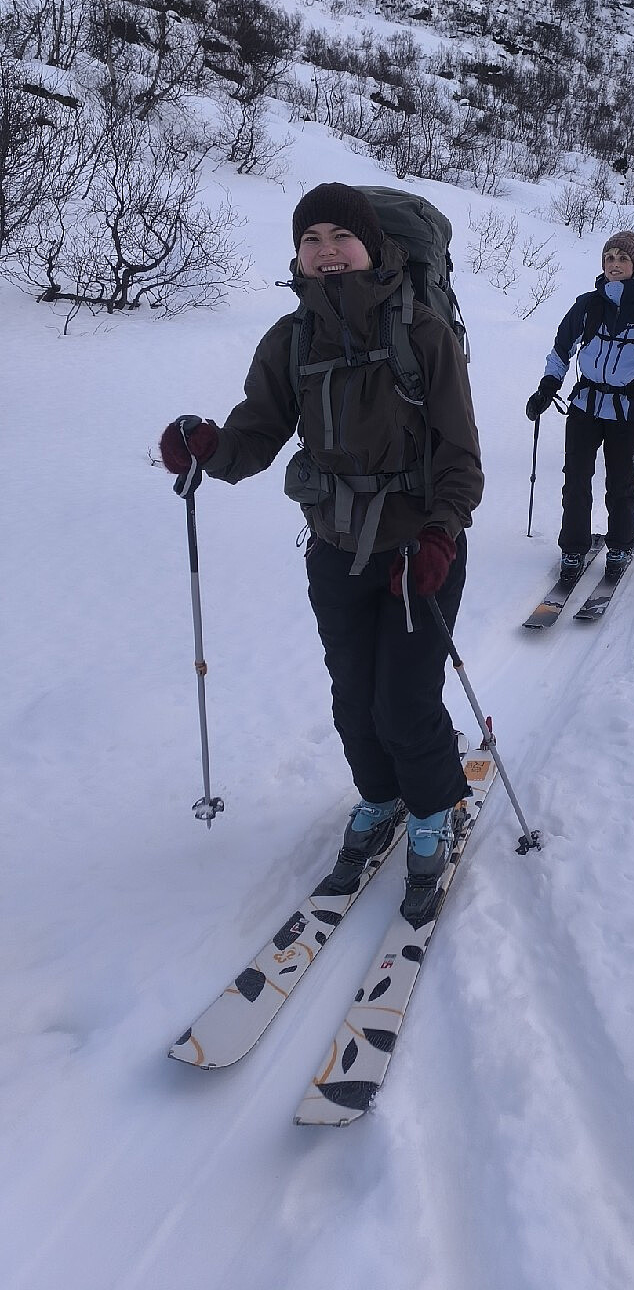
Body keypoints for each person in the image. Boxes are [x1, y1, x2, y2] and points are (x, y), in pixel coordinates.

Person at [158, 183, 483, 928]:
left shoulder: (424, 332)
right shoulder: (292, 339)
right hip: (335, 548)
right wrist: (208, 449)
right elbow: (255, 436)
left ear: (372, 247)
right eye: (312, 239)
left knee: (404, 698)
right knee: (353, 695)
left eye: (342, 236)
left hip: (417, 551)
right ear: (298, 254)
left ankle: (434, 809)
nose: (327, 250)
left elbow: (460, 453)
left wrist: (441, 533)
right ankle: (382, 796)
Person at [526, 230, 634, 583]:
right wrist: (547, 387)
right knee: (575, 480)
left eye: (623, 258)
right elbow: (561, 350)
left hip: (627, 410)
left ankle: (620, 545)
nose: (615, 264)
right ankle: (573, 549)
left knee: (620, 482)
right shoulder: (588, 305)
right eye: (609, 257)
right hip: (585, 405)